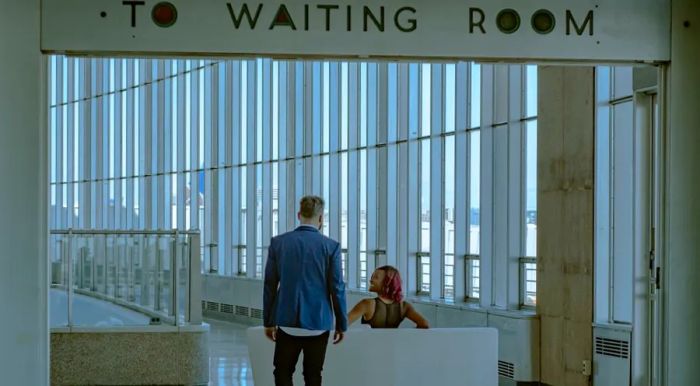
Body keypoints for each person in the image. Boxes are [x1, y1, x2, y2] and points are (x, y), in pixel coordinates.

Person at [263, 195, 348, 386]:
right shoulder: (331, 246)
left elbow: (270, 284)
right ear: (321, 219)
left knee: (283, 371)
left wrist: (268, 321)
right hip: (318, 321)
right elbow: (337, 287)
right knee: (313, 375)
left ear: (299, 215)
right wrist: (342, 324)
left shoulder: (279, 243)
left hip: (286, 320)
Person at [348, 265, 429, 329]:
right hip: (392, 347)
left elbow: (344, 323)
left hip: (371, 346)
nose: (371, 280)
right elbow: (424, 324)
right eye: (372, 276)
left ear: (387, 283)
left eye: (376, 277)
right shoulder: (404, 306)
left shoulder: (367, 304)